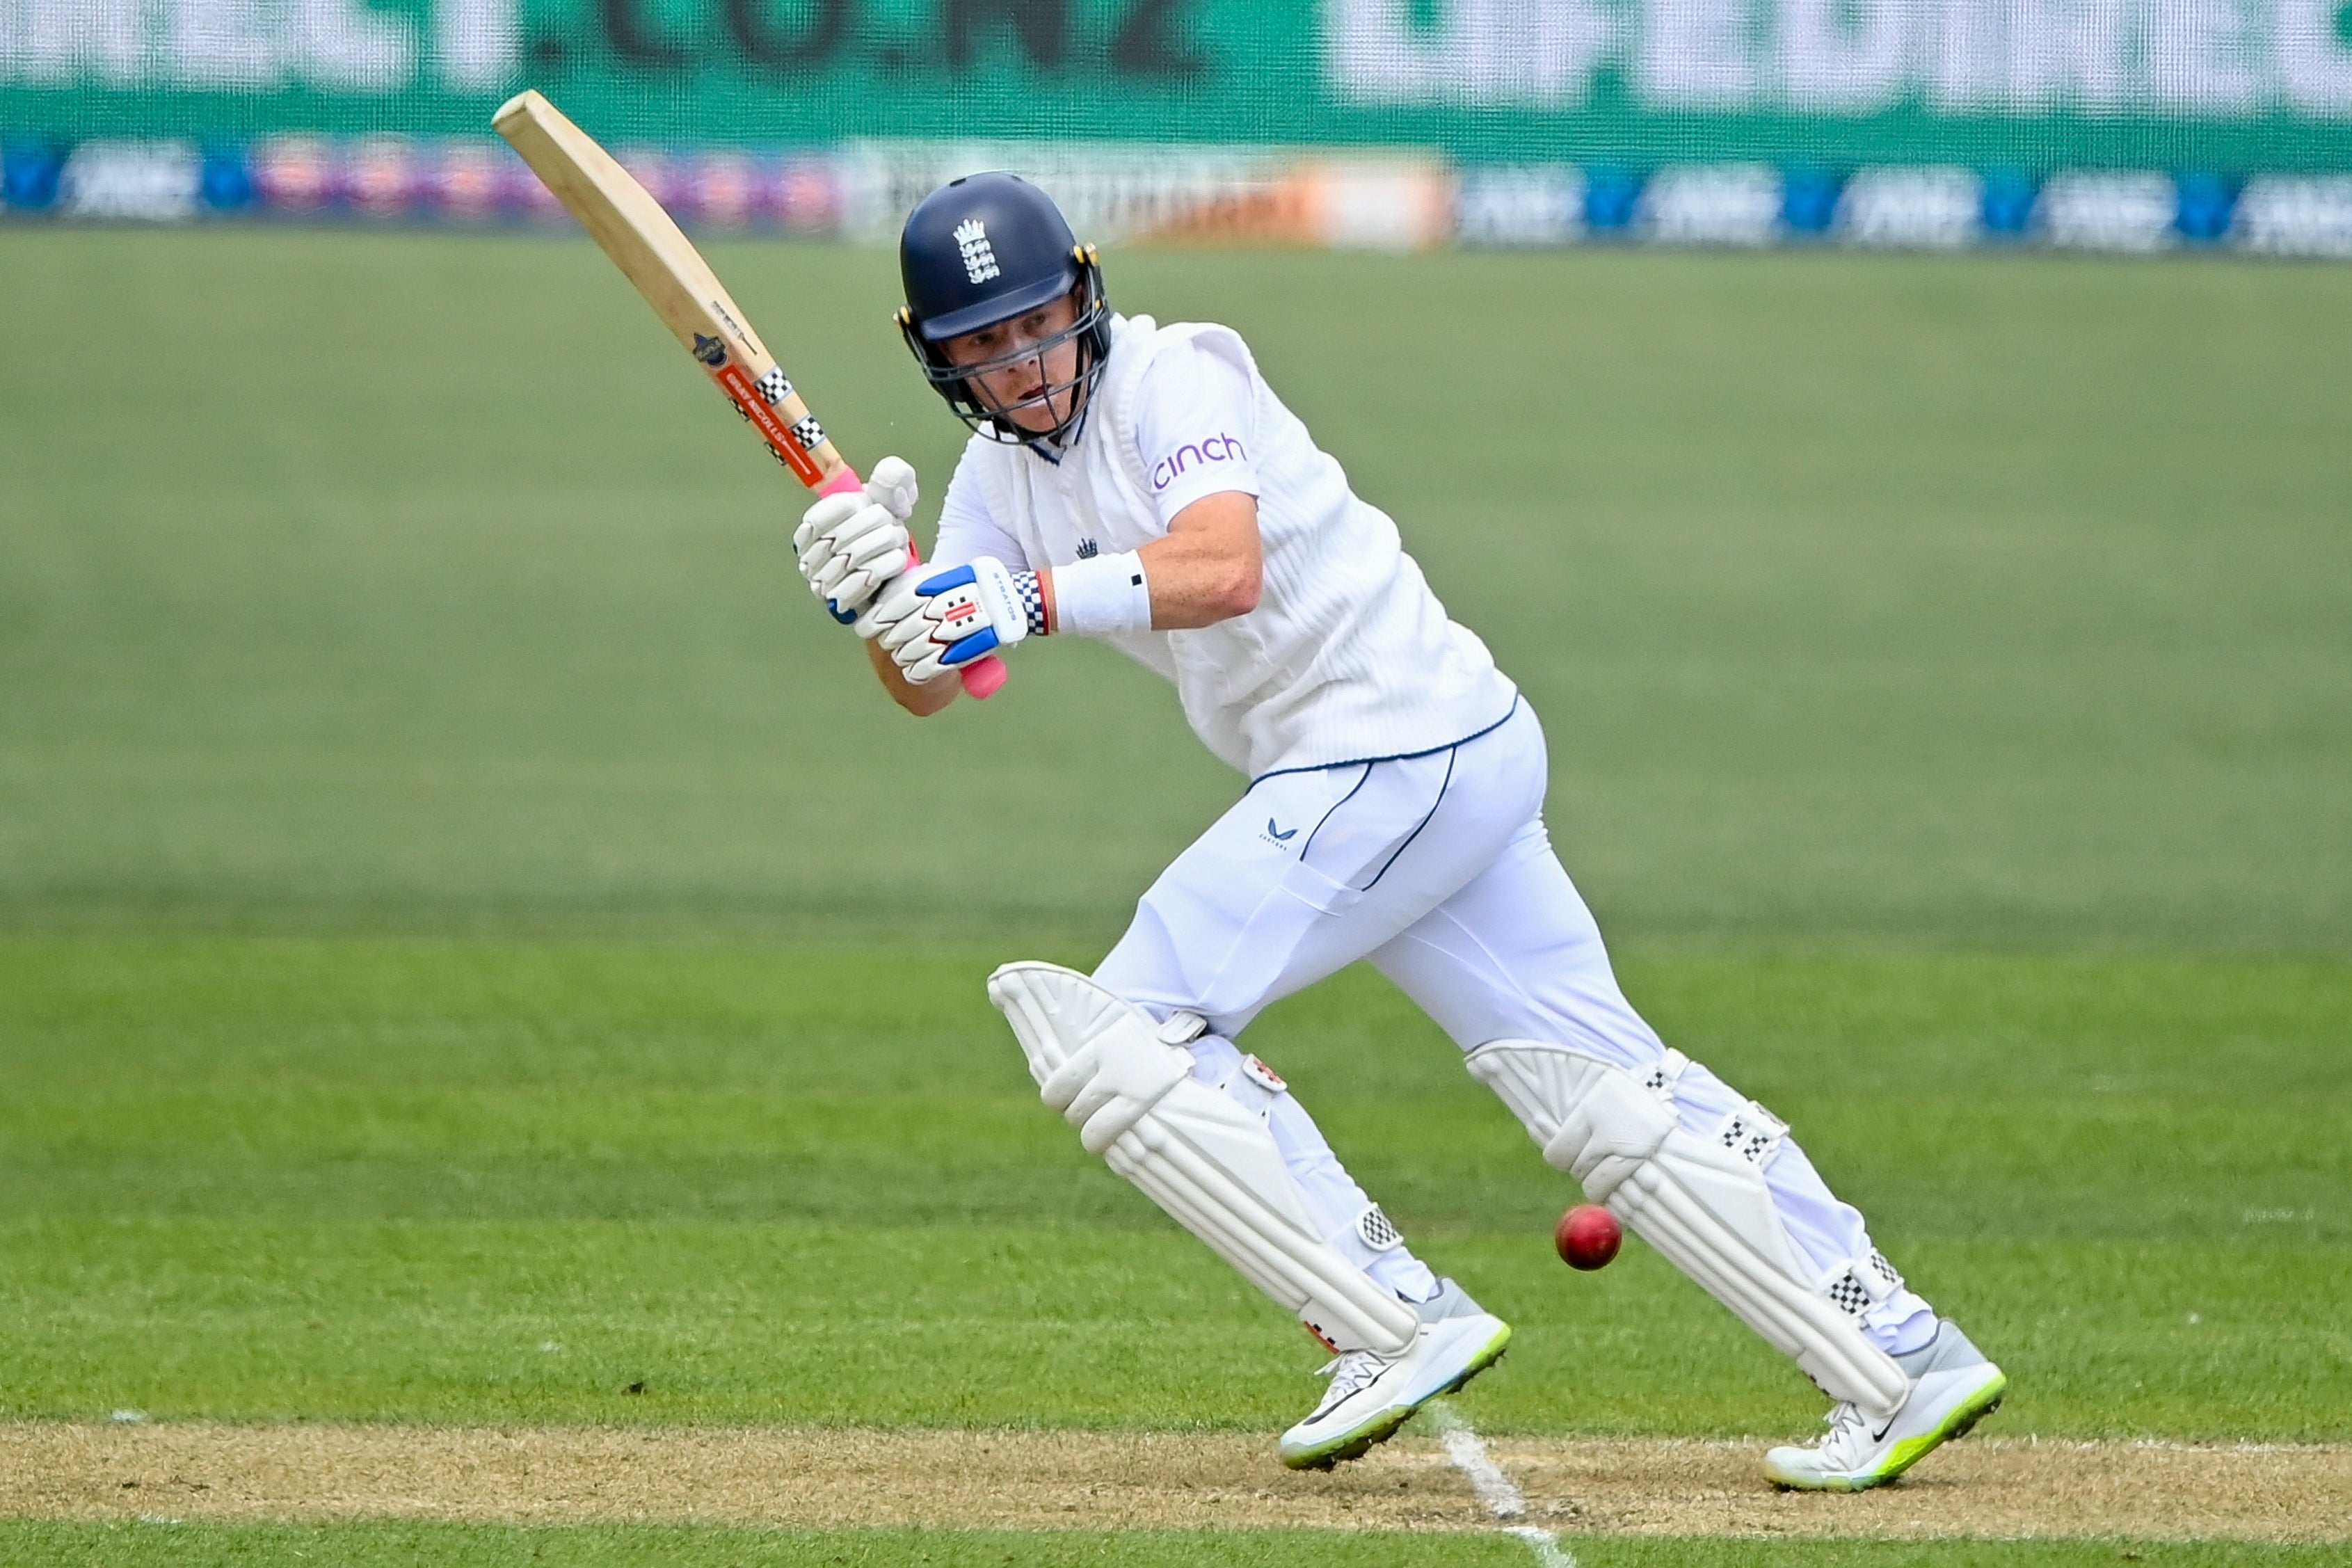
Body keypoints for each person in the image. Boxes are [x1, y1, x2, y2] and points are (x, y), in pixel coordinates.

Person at [790, 171, 2006, 1485]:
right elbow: (930, 680)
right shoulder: (992, 480)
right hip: (1427, 757)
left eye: (1037, 325)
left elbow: (1219, 567)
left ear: (1085, 297)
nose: (1021, 367)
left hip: (1390, 743)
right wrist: (882, 595)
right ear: (938, 361)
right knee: (1599, 1087)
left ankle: (1389, 1316)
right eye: (982, 346)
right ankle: (1897, 1353)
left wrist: (1011, 604)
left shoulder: (1176, 375)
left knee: (1126, 1034)